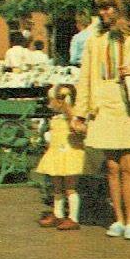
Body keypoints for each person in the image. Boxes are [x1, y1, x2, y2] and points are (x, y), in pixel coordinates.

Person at [70, 0, 130, 241]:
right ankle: (118, 219)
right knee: (111, 166)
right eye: (101, 8)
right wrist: (80, 113)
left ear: (122, 8)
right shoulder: (95, 39)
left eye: (108, 7)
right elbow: (86, 78)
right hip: (105, 107)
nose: (103, 12)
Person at [36, 84, 92, 230]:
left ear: (61, 101)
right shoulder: (56, 117)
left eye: (52, 100)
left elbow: (77, 125)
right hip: (56, 155)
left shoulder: (72, 117)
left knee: (70, 188)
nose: (49, 103)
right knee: (57, 187)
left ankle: (73, 218)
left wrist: (67, 105)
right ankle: (58, 214)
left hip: (70, 155)